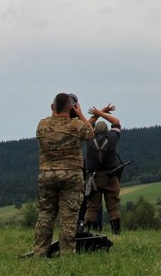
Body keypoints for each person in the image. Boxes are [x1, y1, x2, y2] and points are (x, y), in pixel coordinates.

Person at [32, 92, 96, 257]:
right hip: (71, 175)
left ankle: (39, 252)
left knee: (45, 214)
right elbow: (90, 133)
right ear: (71, 108)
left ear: (52, 107)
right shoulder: (75, 126)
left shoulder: (42, 125)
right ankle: (67, 254)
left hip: (47, 174)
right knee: (69, 217)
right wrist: (80, 114)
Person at [83, 104, 122, 235]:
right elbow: (116, 122)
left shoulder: (89, 138)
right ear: (107, 131)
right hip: (111, 178)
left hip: (94, 179)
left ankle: (89, 234)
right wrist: (103, 112)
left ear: (95, 131)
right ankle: (116, 234)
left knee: (92, 207)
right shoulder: (112, 139)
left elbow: (88, 124)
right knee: (113, 207)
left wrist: (99, 113)